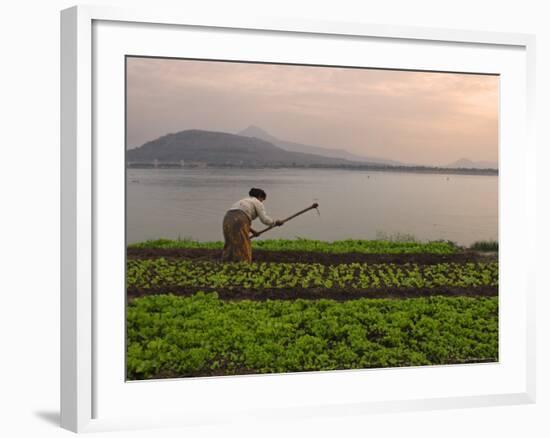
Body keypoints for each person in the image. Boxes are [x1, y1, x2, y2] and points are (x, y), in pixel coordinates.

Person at [221, 188, 283, 262]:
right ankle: (244, 264)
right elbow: (264, 219)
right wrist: (275, 222)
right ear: (260, 196)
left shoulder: (243, 201)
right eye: (262, 200)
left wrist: (253, 231)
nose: (262, 202)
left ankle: (227, 262)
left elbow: (238, 221)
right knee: (243, 244)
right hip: (240, 219)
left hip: (227, 218)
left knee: (230, 242)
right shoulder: (257, 202)